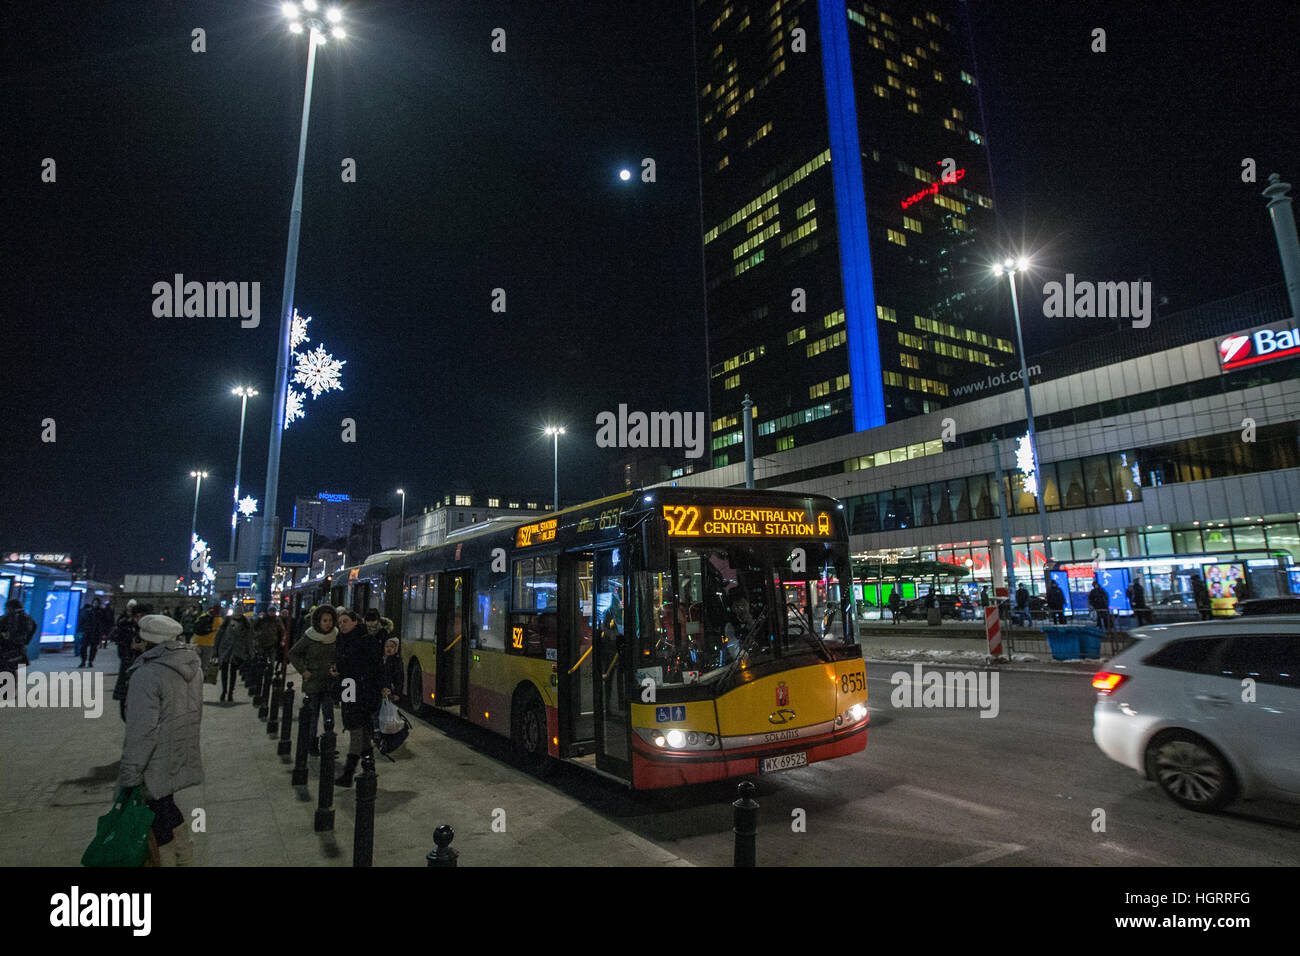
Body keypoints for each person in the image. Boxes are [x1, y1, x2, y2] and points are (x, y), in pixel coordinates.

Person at [117, 613, 202, 866]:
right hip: (179, 747)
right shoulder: (191, 666)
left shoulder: (148, 674)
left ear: (146, 642)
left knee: (156, 811)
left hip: (155, 755)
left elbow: (141, 731)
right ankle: (184, 854)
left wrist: (131, 773)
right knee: (166, 804)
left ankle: (166, 859)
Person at [335, 608, 384, 787]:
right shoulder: (341, 640)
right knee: (359, 730)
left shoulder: (365, 641)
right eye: (340, 623)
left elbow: (374, 667)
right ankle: (369, 768)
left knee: (356, 729)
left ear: (355, 622)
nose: (342, 625)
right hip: (348, 688)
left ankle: (349, 773)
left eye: (345, 621)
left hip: (362, 690)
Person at [288, 604, 339, 755]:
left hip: (329, 682)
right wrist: (303, 671)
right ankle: (311, 745)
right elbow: (293, 653)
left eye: (330, 620)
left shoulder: (336, 636)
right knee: (313, 715)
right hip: (313, 682)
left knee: (329, 715)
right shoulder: (309, 636)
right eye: (325, 620)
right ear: (318, 621)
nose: (328, 623)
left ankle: (329, 745)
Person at [110, 602, 152, 721]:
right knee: (125, 710)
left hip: (146, 671)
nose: (139, 619)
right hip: (128, 668)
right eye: (137, 616)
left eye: (142, 615)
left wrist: (146, 648)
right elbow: (114, 637)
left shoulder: (152, 631)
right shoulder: (127, 627)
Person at [213, 609, 255, 702]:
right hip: (225, 649)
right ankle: (224, 691)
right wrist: (215, 650)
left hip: (237, 651)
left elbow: (249, 639)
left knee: (233, 672)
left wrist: (250, 652)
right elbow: (218, 635)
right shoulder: (227, 621)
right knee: (224, 671)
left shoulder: (246, 624)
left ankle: (230, 692)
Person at [1, 599, 36, 675]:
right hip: (20, 651)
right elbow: (32, 631)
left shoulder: (8, 618)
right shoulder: (29, 618)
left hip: (6, 651)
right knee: (11, 671)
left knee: (5, 672)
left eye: (5, 608)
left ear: (10, 608)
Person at [191, 604, 222, 671]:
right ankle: (201, 677)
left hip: (197, 641)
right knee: (205, 663)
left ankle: (195, 676)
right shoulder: (218, 619)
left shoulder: (203, 616)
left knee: (196, 662)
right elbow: (218, 632)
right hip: (208, 643)